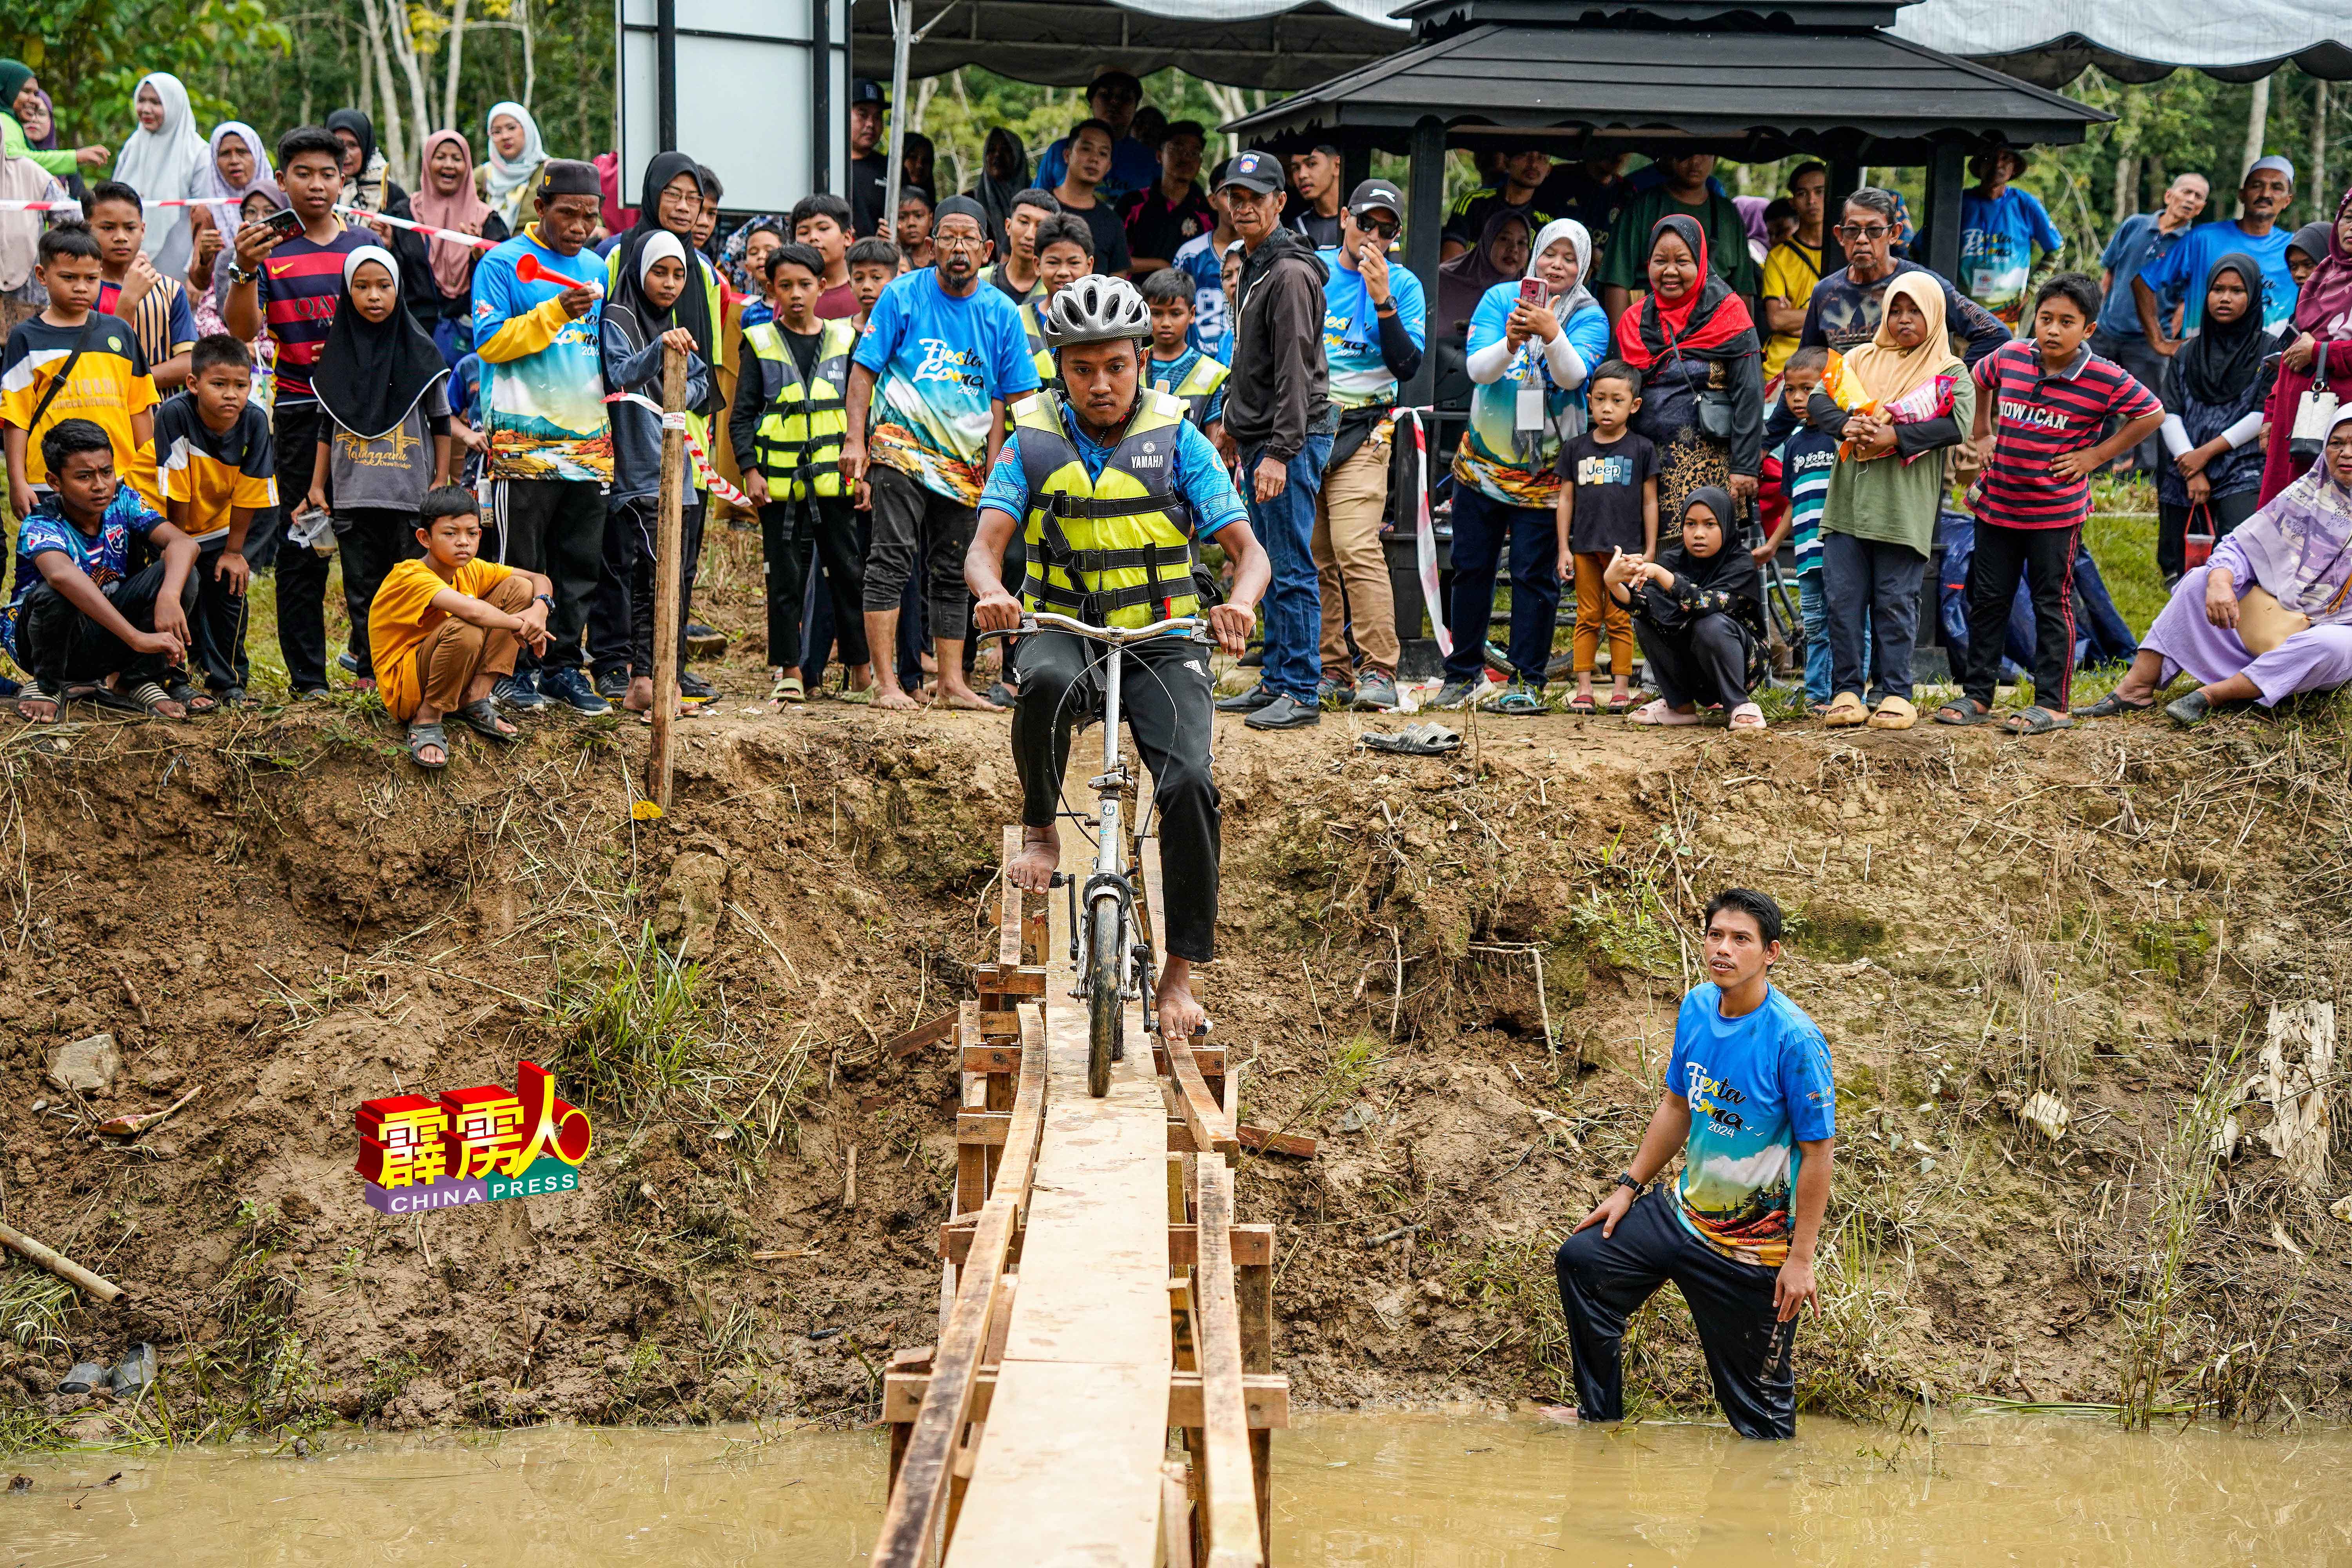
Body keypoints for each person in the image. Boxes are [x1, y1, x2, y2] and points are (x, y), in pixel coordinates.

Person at [967, 273, 1272, 1040]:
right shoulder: (1032, 435)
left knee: (1193, 782)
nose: (1100, 384)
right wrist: (994, 593)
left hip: (1163, 636)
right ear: (1059, 367)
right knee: (1037, 680)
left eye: (1116, 366)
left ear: (1142, 358)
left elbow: (1249, 552)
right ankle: (1042, 825)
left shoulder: (1181, 438)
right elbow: (983, 549)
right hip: (1062, 622)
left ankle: (1180, 974)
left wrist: (1239, 603)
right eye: (1081, 369)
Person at [1556, 887, 1833, 1440]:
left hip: (1751, 1249)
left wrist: (1801, 1259)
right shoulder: (1697, 1008)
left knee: (1764, 1429)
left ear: (1770, 953)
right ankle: (1597, 1417)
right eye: (1715, 935)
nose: (1723, 949)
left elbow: (1818, 1152)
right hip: (1681, 1216)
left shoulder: (1795, 1040)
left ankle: (1762, 1509)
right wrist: (1629, 1188)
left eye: (1740, 939)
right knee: (1583, 1262)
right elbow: (1677, 1105)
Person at [1939, 274, 2165, 733]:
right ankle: (1978, 695)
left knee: (2051, 601)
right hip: (1998, 505)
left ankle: (2052, 703)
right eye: (2045, 319)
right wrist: (1983, 432)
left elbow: (2151, 412)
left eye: (2067, 322)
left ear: (2088, 330)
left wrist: (2097, 456)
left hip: (2055, 515)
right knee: (1988, 599)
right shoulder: (2012, 355)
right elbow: (1979, 378)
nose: (2053, 330)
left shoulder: (2102, 377)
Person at [842, 195, 1040, 710]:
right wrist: (855, 440)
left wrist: (1033, 459)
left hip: (966, 464)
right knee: (890, 560)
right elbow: (864, 370)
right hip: (900, 450)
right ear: (930, 246)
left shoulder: (1000, 312)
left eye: (968, 238)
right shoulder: (902, 296)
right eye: (947, 237)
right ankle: (886, 684)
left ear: (987, 249)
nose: (957, 247)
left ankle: (952, 682)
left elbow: (1021, 396)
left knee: (954, 571)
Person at [1435, 218, 1612, 714]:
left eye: (1568, 257)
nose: (1556, 265)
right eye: (1549, 254)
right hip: (1483, 468)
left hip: (1548, 478)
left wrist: (1553, 334)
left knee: (1536, 577)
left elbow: (1575, 376)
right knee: (1472, 569)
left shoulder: (1589, 316)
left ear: (1582, 265)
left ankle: (1527, 680)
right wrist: (1512, 342)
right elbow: (1477, 370)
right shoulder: (1500, 300)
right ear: (1535, 256)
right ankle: (1463, 672)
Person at [2080, 408, 2352, 726]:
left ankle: (2214, 695)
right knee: (2200, 580)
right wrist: (2221, 582)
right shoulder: (2306, 495)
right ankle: (2136, 688)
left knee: (2332, 645)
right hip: (2266, 622)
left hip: (2326, 639)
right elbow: (2241, 546)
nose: (2346, 453)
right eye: (2336, 443)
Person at [222, 125, 371, 697]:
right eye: (303, 174)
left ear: (344, 180)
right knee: (305, 539)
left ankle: (368, 665)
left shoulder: (363, 247)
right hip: (301, 411)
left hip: (365, 417)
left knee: (366, 541)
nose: (316, 185)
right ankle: (308, 679)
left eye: (327, 174)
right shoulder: (266, 250)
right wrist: (243, 269)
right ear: (281, 181)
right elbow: (243, 332)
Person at [467, 158, 613, 714]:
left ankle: (563, 669)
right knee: (519, 564)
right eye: (569, 214)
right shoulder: (502, 264)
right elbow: (491, 343)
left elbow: (601, 353)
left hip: (589, 445)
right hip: (522, 445)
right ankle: (510, 671)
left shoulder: (598, 267)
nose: (579, 227)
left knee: (578, 566)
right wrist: (554, 310)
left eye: (590, 216)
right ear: (541, 209)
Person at [1806, 274, 1974, 731]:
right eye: (1896, 311)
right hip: (1847, 505)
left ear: (1934, 315)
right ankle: (1847, 691)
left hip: (1902, 510)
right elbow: (1820, 402)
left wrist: (1894, 435)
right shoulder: (1859, 358)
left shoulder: (1949, 370)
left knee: (1895, 603)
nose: (1903, 320)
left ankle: (1896, 693)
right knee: (1842, 600)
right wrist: (1848, 427)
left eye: (1914, 311)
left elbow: (1957, 425)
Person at [1209, 151, 1333, 732]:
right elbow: (1248, 358)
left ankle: (1301, 689)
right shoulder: (1256, 261)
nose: (1243, 206)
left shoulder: (1288, 272)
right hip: (1262, 434)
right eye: (1235, 197)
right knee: (1268, 560)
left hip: (1292, 439)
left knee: (1288, 563)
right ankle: (1277, 681)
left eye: (1255, 197)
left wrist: (1282, 452)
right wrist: (1235, 425)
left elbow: (1296, 372)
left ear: (1280, 202)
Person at [306, 245, 451, 694]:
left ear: (399, 289)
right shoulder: (336, 355)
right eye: (362, 287)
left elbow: (441, 420)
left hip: (408, 493)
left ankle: (409, 665)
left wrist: (440, 478)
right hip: (353, 494)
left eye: (383, 286)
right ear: (347, 293)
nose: (373, 296)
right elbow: (326, 427)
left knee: (410, 584)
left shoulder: (421, 353)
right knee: (362, 588)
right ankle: (369, 669)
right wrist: (316, 485)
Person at [1310, 180, 1425, 714]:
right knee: (1316, 554)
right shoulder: (1312, 270)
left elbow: (1407, 366)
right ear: (1345, 220)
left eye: (1386, 229)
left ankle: (1379, 669)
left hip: (1366, 427)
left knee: (1357, 547)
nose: (1373, 236)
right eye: (1366, 224)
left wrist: (1383, 302)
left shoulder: (1403, 285)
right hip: (1306, 426)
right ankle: (1330, 669)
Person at [738, 243, 867, 704]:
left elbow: (860, 410)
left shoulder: (843, 339)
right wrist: (750, 472)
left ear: (823, 286)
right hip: (781, 486)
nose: (796, 294)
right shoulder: (759, 341)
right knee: (785, 580)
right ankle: (789, 669)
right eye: (785, 285)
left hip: (837, 481)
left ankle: (860, 672)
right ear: (771, 289)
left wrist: (864, 466)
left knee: (849, 575)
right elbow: (742, 415)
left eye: (805, 285)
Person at [5, 418, 197, 720]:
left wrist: (170, 597)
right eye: (84, 477)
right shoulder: (41, 523)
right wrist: (136, 637)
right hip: (43, 640)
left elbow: (184, 544)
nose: (100, 486)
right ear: (55, 482)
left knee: (179, 573)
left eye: (106, 472)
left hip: (106, 633)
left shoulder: (124, 500)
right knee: (56, 594)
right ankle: (48, 685)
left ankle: (136, 680)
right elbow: (61, 576)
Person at [597, 229, 712, 718]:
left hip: (678, 476)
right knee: (648, 582)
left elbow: (702, 382)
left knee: (675, 582)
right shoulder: (619, 318)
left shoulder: (671, 323)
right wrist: (660, 352)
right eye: (660, 272)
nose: (669, 283)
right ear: (639, 271)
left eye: (679, 274)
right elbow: (620, 373)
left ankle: (664, 679)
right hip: (639, 476)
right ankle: (644, 682)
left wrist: (677, 394)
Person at [370, 486, 553, 768]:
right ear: (425, 538)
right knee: (467, 627)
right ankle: (428, 717)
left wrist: (540, 609)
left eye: (472, 533)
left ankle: (475, 700)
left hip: (452, 671)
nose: (463, 542)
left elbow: (538, 579)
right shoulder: (409, 575)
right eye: (450, 533)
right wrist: (525, 625)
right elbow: (473, 612)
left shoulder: (471, 569)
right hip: (409, 688)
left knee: (520, 587)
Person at [1612, 215, 1765, 534]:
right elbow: (1616, 391)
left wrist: (1745, 466)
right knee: (1647, 561)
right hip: (1646, 467)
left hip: (1713, 469)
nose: (1669, 271)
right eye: (1659, 261)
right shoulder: (1634, 320)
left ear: (1702, 262)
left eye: (1682, 261)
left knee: (1703, 562)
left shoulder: (1729, 313)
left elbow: (1750, 393)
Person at [4, 222, 161, 517]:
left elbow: (139, 406)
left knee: (120, 561)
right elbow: (16, 417)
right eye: (68, 277)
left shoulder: (120, 333)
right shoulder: (26, 338)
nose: (81, 287)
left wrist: (146, 475)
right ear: (42, 276)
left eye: (91, 278)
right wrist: (17, 481)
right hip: (50, 483)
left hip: (119, 480)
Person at [2146, 253, 2286, 583]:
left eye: (2237, 291)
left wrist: (2204, 456)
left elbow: (2260, 414)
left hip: (2242, 464)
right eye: (2218, 289)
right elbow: (2169, 412)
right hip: (2186, 464)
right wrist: (2190, 465)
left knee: (2241, 545)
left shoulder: (2270, 352)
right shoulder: (2187, 352)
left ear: (2253, 297)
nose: (2225, 298)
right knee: (2183, 563)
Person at [156, 333, 273, 707]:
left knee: (230, 588)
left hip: (221, 525)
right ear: (193, 384)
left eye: (240, 385)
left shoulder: (254, 421)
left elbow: (251, 491)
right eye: (219, 384)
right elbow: (177, 491)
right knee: (183, 587)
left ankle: (228, 681)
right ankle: (175, 679)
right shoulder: (174, 414)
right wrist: (180, 549)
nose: (230, 395)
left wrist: (235, 552)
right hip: (170, 526)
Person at [1609, 488, 1769, 728]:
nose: (1699, 534)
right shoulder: (1673, 560)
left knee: (1711, 625)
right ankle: (1679, 707)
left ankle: (1738, 704)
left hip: (1743, 666)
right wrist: (1612, 582)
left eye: (1710, 524)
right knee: (1645, 623)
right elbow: (1643, 606)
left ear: (1726, 525)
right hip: (1694, 667)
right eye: (1691, 524)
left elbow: (1703, 604)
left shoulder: (1741, 564)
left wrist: (1662, 575)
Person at [1800, 189, 2009, 367]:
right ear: (1840, 235)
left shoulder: (1924, 285)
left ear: (1894, 234)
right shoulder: (1826, 292)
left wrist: (1949, 384)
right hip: (1845, 411)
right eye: (1853, 230)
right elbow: (1806, 364)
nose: (1862, 240)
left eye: (1874, 230)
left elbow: (1994, 333)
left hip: (1909, 411)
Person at [1555, 359, 1656, 713]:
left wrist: (1651, 550)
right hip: (1584, 546)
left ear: (1635, 405)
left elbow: (1650, 501)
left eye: (1617, 400)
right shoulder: (1575, 448)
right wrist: (1563, 547)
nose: (1607, 408)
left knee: (1619, 618)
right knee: (1587, 616)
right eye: (1600, 399)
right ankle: (1583, 690)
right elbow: (1566, 499)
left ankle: (1620, 690)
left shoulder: (1642, 449)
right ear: (1589, 400)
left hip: (1625, 554)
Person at [2093, 171, 2209, 475]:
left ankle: (2144, 474)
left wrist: (2168, 340)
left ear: (2202, 208)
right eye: (2187, 192)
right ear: (2169, 195)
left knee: (2149, 407)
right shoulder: (2135, 225)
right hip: (2107, 331)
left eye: (2198, 197)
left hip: (2149, 340)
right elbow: (2110, 273)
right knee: (2096, 399)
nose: (2191, 200)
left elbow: (2187, 300)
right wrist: (2096, 316)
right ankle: (2097, 468)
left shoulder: (2195, 245)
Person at [2134, 156, 2299, 342]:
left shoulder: (2295, 248)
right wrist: (2159, 342)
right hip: (2203, 362)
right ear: (2242, 194)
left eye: (2277, 188)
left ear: (2288, 200)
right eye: (2257, 186)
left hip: (2266, 364)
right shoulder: (2204, 239)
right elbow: (2144, 282)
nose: (2266, 194)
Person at [2258, 185, 2352, 501]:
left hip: (2341, 428)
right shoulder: (2324, 277)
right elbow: (2292, 352)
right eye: (2349, 218)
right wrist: (2272, 414)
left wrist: (2319, 352)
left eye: (2305, 265)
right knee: (2292, 524)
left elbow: (2309, 349)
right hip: (2297, 421)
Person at [1761, 346, 1838, 708]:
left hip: (1842, 550)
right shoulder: (1792, 444)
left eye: (1807, 389)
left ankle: (1849, 691)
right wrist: (1774, 545)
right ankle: (1817, 695)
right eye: (1790, 390)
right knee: (1815, 624)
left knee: (1851, 624)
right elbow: (1792, 503)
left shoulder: (1842, 438)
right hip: (1807, 552)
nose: (1796, 398)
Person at [1601, 154, 1757, 323]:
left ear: (1716, 159)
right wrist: (1620, 344)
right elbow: (1617, 282)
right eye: (1686, 154)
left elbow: (1744, 289)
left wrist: (1746, 342)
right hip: (1653, 326)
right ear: (1670, 157)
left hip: (1714, 330)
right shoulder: (1643, 207)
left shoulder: (1728, 214)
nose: (1695, 162)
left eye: (1705, 154)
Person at [86, 181, 196, 392]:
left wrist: (131, 381)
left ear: (143, 229)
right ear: (87, 228)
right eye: (108, 228)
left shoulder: (170, 291)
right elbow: (93, 363)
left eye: (130, 228)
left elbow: (189, 362)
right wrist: (128, 300)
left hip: (159, 415)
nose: (120, 237)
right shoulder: (81, 291)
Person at [326, 109, 434, 318]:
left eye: (353, 146)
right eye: (338, 145)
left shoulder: (391, 195)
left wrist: (390, 247)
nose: (345, 154)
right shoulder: (318, 193)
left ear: (366, 147)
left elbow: (414, 271)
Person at [412, 129, 505, 368]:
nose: (449, 165)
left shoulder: (487, 221)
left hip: (471, 344)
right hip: (413, 342)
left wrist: (478, 258)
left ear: (468, 165)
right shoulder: (405, 215)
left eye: (457, 158)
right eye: (440, 157)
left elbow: (504, 280)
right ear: (427, 161)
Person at [102, 73, 206, 281]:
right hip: (126, 261)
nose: (146, 109)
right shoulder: (133, 146)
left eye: (156, 102)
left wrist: (193, 268)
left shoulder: (197, 153)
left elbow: (205, 216)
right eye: (141, 101)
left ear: (174, 105)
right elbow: (114, 200)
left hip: (178, 264)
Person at [1955, 147, 2062, 332]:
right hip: (1962, 307)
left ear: (2014, 168)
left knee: (2003, 359)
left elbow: (2056, 248)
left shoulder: (2025, 204)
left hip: (2006, 311)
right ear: (1980, 166)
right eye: (1990, 158)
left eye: (2006, 159)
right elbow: (1921, 246)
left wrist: (2031, 289)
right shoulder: (1960, 203)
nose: (1998, 165)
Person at [1032, 70, 1158, 205]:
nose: (1115, 102)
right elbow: (1035, 204)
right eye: (1105, 95)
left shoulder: (1152, 160)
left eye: (1125, 97)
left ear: (1136, 107)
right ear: (1091, 102)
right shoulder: (1059, 151)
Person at [187, 122, 282, 291]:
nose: (234, 161)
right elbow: (198, 283)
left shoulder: (280, 199)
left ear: (257, 155)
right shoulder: (206, 212)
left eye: (242, 152)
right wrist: (204, 257)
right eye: (225, 154)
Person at [1760, 162, 1830, 382]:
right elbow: (1777, 319)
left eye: (1820, 192)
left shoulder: (1849, 251)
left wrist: (1799, 319)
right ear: (1793, 203)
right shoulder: (1779, 257)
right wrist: (1830, 316)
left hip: (1833, 364)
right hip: (1782, 368)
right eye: (1803, 194)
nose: (1812, 201)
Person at [1140, 267, 1227, 443]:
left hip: (1190, 467)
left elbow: (1213, 444)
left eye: (1175, 314)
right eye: (1156, 314)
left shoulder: (1211, 373)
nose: (1166, 323)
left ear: (1192, 314)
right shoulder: (1133, 363)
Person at [1121, 120, 1209, 277]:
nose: (1186, 158)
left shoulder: (1207, 211)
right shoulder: (1132, 203)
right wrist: (1160, 265)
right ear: (1159, 156)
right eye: (1178, 148)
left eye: (1194, 152)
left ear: (1200, 162)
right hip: (1135, 297)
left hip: (1189, 300)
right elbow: (1114, 258)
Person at [1049, 120, 1133, 279]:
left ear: (1108, 166)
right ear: (1067, 155)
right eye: (1086, 149)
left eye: (1103, 154)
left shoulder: (1112, 222)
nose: (1094, 159)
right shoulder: (1038, 208)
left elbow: (1118, 282)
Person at [1021, 214, 1098, 386]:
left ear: (1089, 266)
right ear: (1037, 265)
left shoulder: (1105, 322)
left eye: (1073, 263)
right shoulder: (1016, 320)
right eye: (1053, 263)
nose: (1063, 272)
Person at [1436, 209, 1532, 343]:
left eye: (1522, 243)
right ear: (1488, 240)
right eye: (1504, 239)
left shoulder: (1529, 295)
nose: (1514, 249)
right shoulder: (1443, 280)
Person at [0, 62, 106, 183]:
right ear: (5, 89)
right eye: (26, 91)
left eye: (35, 93)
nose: (34, 100)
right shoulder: (3, 120)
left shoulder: (11, 121)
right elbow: (14, 159)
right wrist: (75, 157)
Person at [1173, 167, 1240, 359]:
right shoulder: (1190, 255)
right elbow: (1174, 311)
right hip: (1198, 365)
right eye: (1229, 194)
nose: (1236, 203)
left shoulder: (1264, 253)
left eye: (1246, 195)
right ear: (1212, 201)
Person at [1441, 149, 1553, 261]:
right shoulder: (1474, 202)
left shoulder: (1545, 224)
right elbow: (1450, 261)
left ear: (1549, 169)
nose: (1533, 164)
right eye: (1524, 155)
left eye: (1542, 158)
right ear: (1507, 162)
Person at [476, 102, 548, 233]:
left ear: (527, 129)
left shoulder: (550, 170)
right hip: (491, 252)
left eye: (511, 128)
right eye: (496, 132)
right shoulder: (484, 174)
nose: (505, 137)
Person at [791, 193, 860, 319]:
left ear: (847, 237)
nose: (813, 237)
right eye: (804, 232)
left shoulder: (866, 291)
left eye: (823, 229)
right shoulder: (789, 295)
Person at [988, 188, 1058, 305]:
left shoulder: (1057, 293)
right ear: (1008, 226)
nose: (1030, 235)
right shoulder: (979, 281)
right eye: (1024, 222)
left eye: (1041, 227)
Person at [973, 127, 1033, 258]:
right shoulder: (970, 202)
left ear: (1018, 155)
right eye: (991, 150)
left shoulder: (1036, 202)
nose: (998, 155)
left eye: (1006, 149)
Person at [1279, 145, 1345, 252]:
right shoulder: (1296, 230)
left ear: (1337, 166)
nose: (1302, 175)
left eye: (1312, 164)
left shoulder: (1360, 223)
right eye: (1296, 168)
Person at [847, 78, 889, 237]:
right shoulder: (827, 166)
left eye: (877, 117)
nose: (871, 124)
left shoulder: (891, 170)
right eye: (863, 115)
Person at [894, 186, 938, 272]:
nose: (911, 223)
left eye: (919, 216)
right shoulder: (892, 260)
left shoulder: (942, 258)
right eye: (902, 217)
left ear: (931, 220)